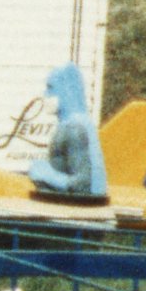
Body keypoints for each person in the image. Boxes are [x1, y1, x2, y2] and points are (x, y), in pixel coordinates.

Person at [26, 62, 109, 202]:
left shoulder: (74, 128)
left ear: (66, 90)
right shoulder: (74, 123)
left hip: (78, 210)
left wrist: (47, 175)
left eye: (50, 88)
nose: (45, 95)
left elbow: (83, 185)